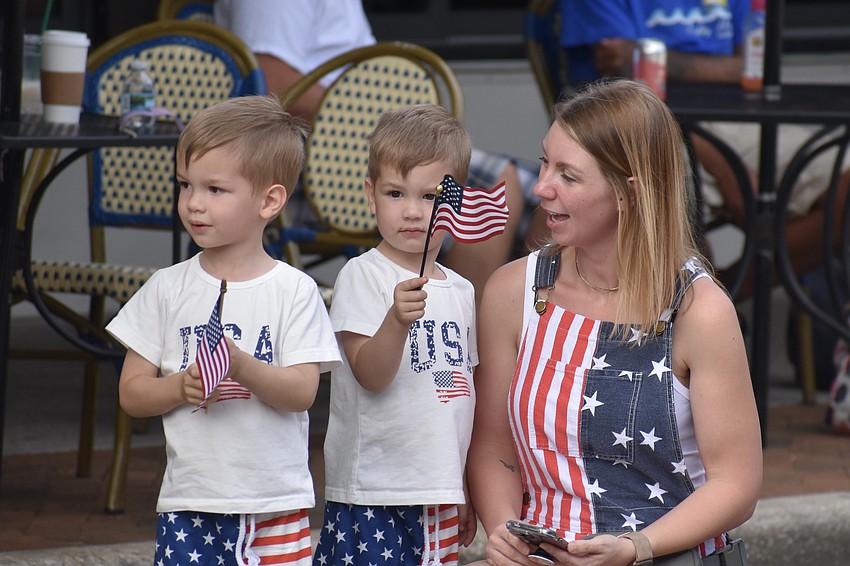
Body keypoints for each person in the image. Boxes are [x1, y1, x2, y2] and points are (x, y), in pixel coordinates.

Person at [466, 80, 762, 566]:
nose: (541, 187)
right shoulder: (512, 291)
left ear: (630, 192)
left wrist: (635, 547)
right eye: (545, 162)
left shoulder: (699, 310)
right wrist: (505, 535)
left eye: (569, 175)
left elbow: (737, 485)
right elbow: (494, 448)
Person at [105, 95, 342, 566]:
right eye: (185, 185)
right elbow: (132, 394)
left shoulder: (293, 289)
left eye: (215, 189)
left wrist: (240, 365)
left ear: (269, 200)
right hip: (191, 503)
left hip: (275, 502)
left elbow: (301, 392)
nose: (194, 202)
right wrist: (179, 385)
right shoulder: (167, 287)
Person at [213, 0, 541, 301]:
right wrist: (382, 123)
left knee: (547, 189)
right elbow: (274, 82)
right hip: (311, 162)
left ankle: (516, 333)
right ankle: (459, 334)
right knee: (496, 183)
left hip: (360, 141)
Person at [559, 0, 850, 295]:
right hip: (642, 125)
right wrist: (721, 162)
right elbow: (622, 77)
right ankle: (688, 318)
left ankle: (725, 301)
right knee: (661, 196)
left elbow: (756, 65)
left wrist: (660, 60)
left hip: (741, 118)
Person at [314, 104, 478, 565]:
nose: (412, 211)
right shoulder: (362, 276)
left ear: (457, 201)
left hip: (439, 487)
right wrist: (395, 322)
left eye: (430, 197)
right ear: (370, 195)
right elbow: (370, 373)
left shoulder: (462, 290)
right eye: (395, 193)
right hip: (375, 486)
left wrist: (462, 484)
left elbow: (464, 398)